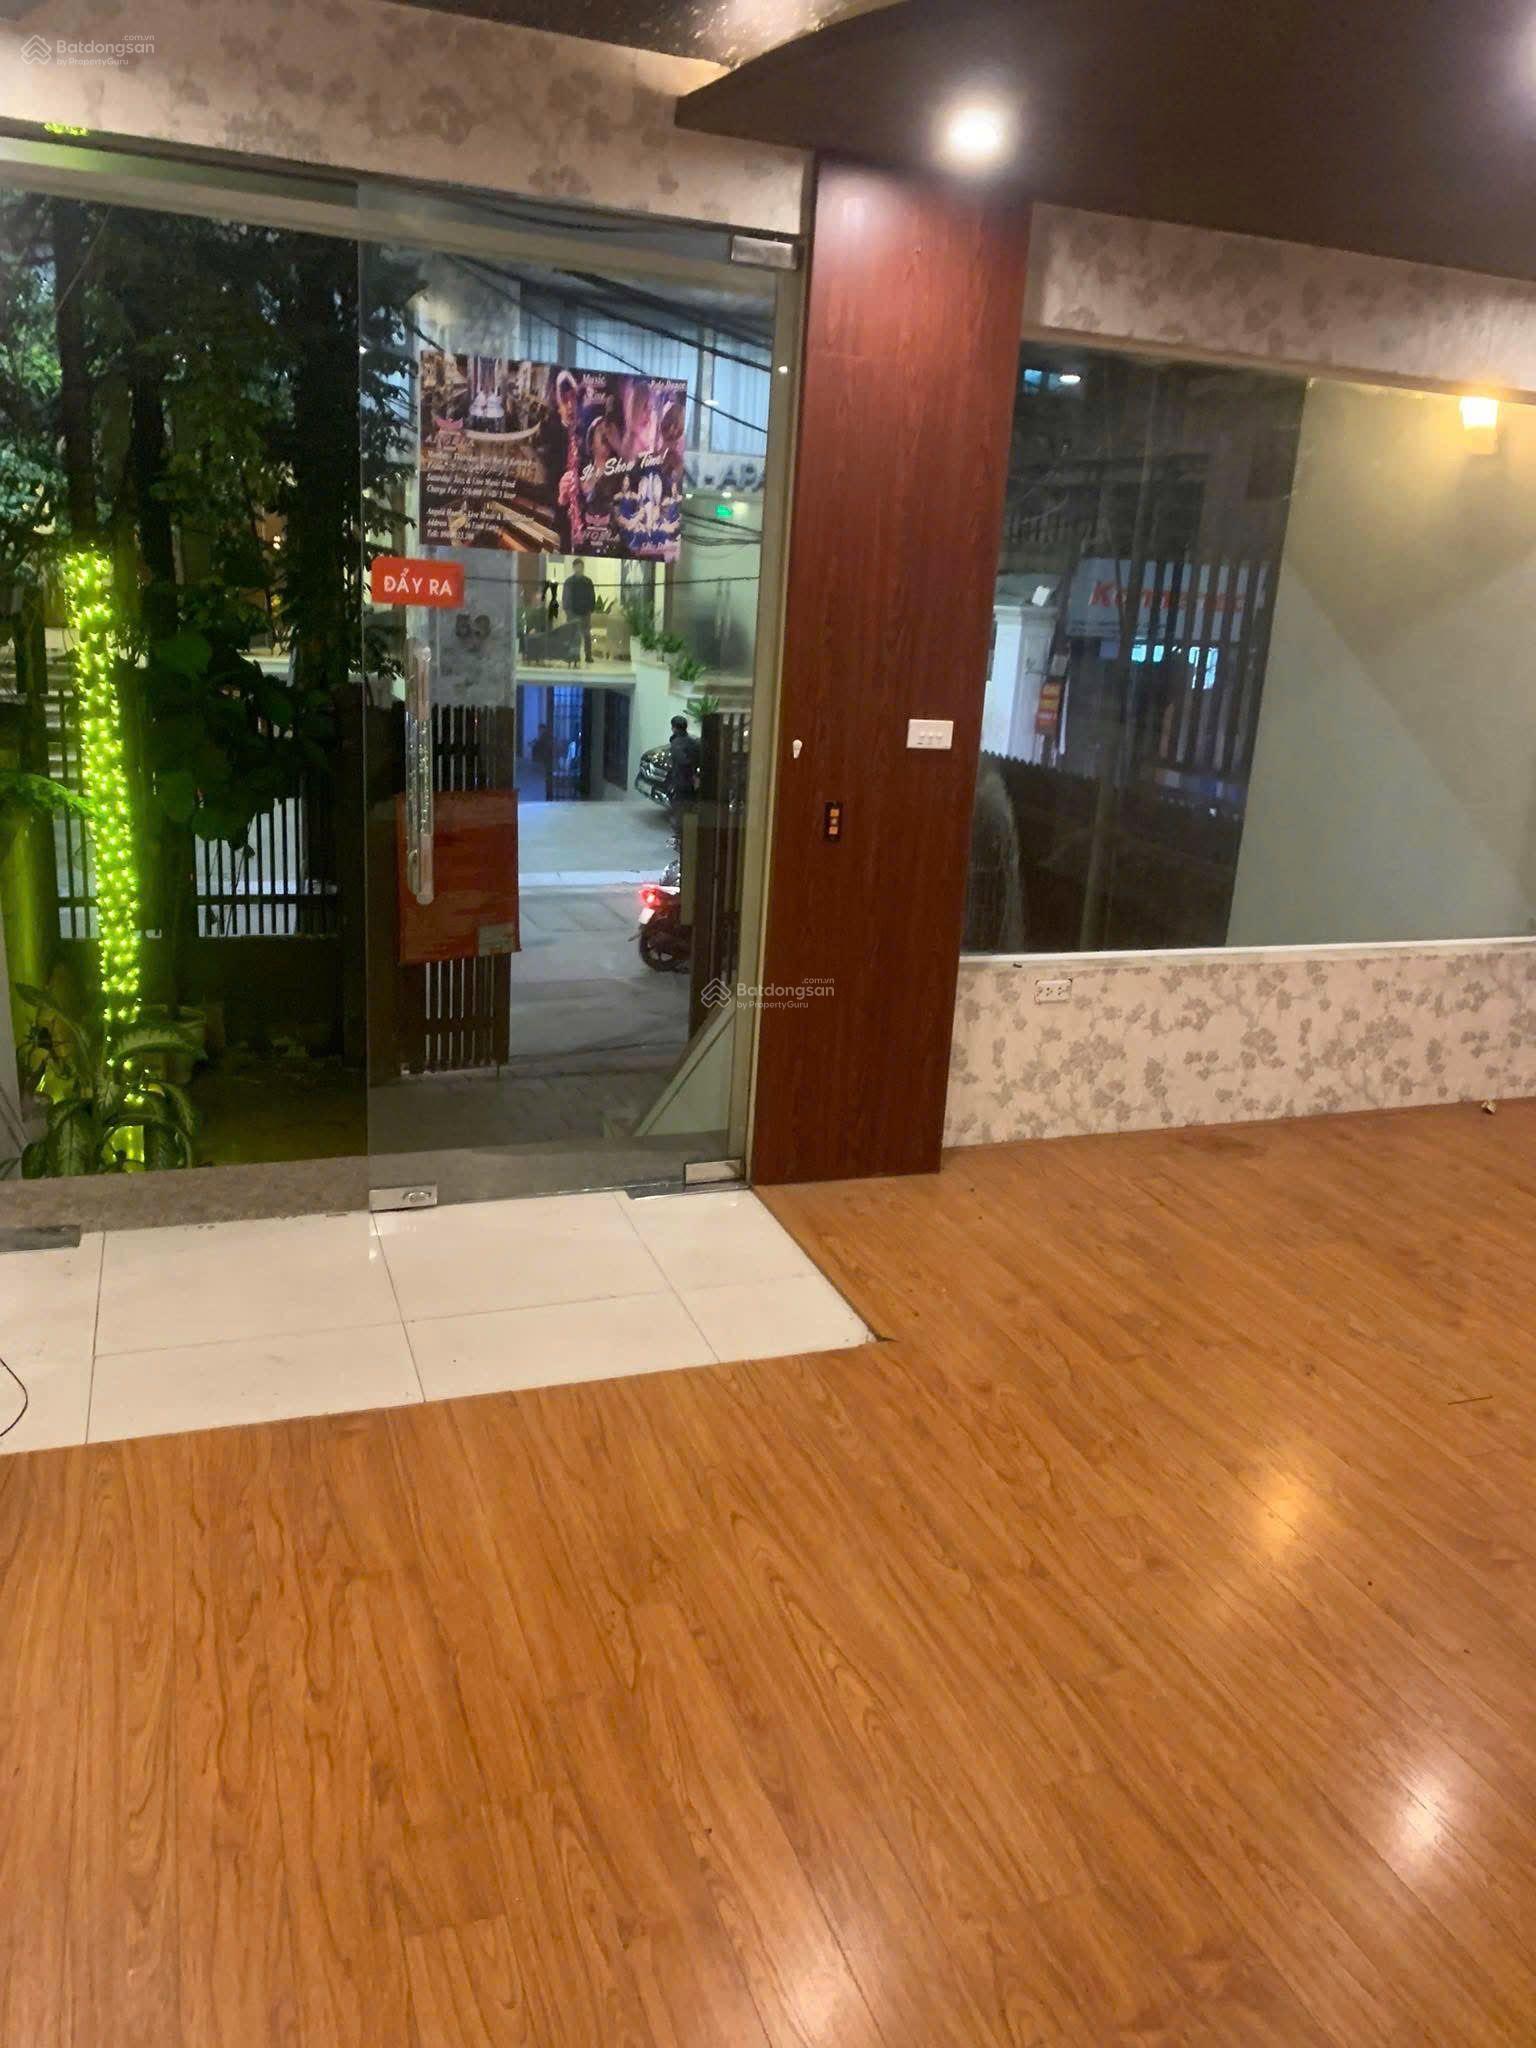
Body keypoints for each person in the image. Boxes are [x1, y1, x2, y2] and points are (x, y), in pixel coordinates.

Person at [664, 712, 702, 867]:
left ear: (674, 728)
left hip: (680, 783)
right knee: (689, 809)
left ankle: (682, 841)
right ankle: (688, 838)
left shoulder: (677, 744)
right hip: (691, 783)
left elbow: (681, 762)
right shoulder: (693, 742)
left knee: (679, 811)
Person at [562, 557, 597, 663]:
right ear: (574, 568)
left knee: (586, 635)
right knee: (573, 635)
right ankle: (573, 655)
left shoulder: (588, 581)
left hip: (585, 612)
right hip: (573, 612)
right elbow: (566, 597)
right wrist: (568, 611)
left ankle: (588, 655)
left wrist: (591, 609)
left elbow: (592, 596)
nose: (579, 569)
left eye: (581, 567)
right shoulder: (569, 581)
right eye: (577, 567)